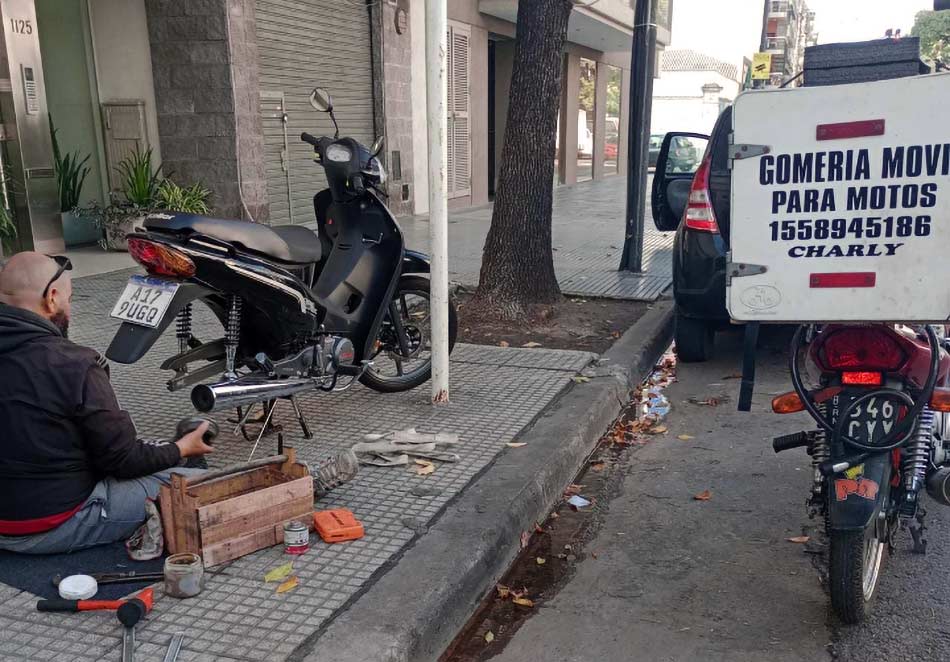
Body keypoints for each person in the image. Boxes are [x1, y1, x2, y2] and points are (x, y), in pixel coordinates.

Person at [0, 252, 214, 554]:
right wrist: (181, 448)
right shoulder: (73, 363)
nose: (70, 309)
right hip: (53, 522)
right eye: (70, 299)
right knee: (201, 482)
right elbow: (122, 461)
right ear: (51, 298)